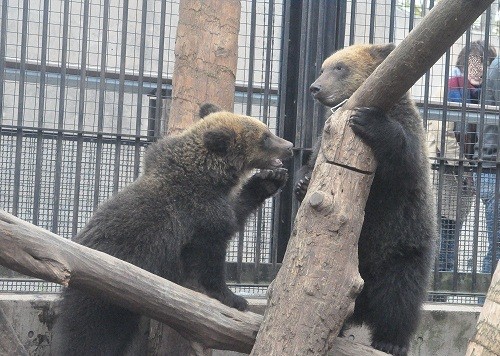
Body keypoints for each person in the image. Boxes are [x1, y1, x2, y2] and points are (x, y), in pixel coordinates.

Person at [474, 53, 500, 275]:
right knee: (498, 244)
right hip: (492, 164)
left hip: (490, 163)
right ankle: (485, 300)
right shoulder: (499, 66)